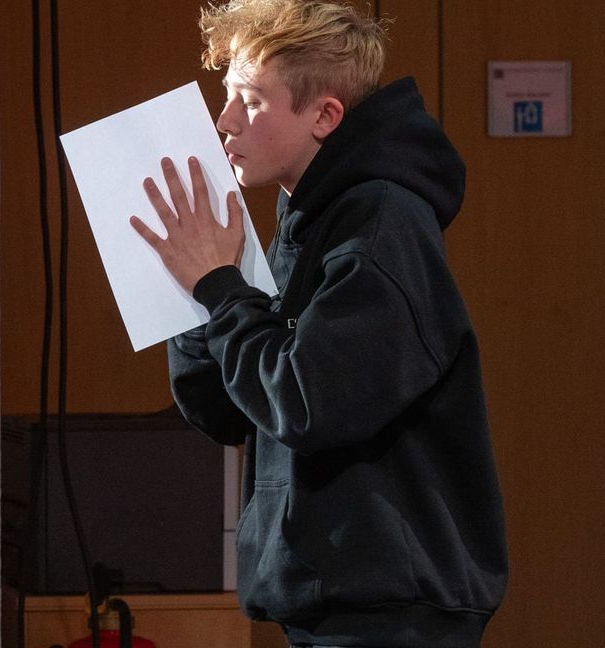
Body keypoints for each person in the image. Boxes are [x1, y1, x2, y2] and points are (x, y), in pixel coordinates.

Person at [128, 1, 507, 646]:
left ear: (324, 116)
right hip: (328, 606)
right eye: (227, 97)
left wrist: (221, 289)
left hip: (391, 614)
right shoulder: (299, 225)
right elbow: (227, 411)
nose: (224, 122)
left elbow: (307, 401)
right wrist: (191, 292)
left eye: (248, 101)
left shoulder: (381, 225)